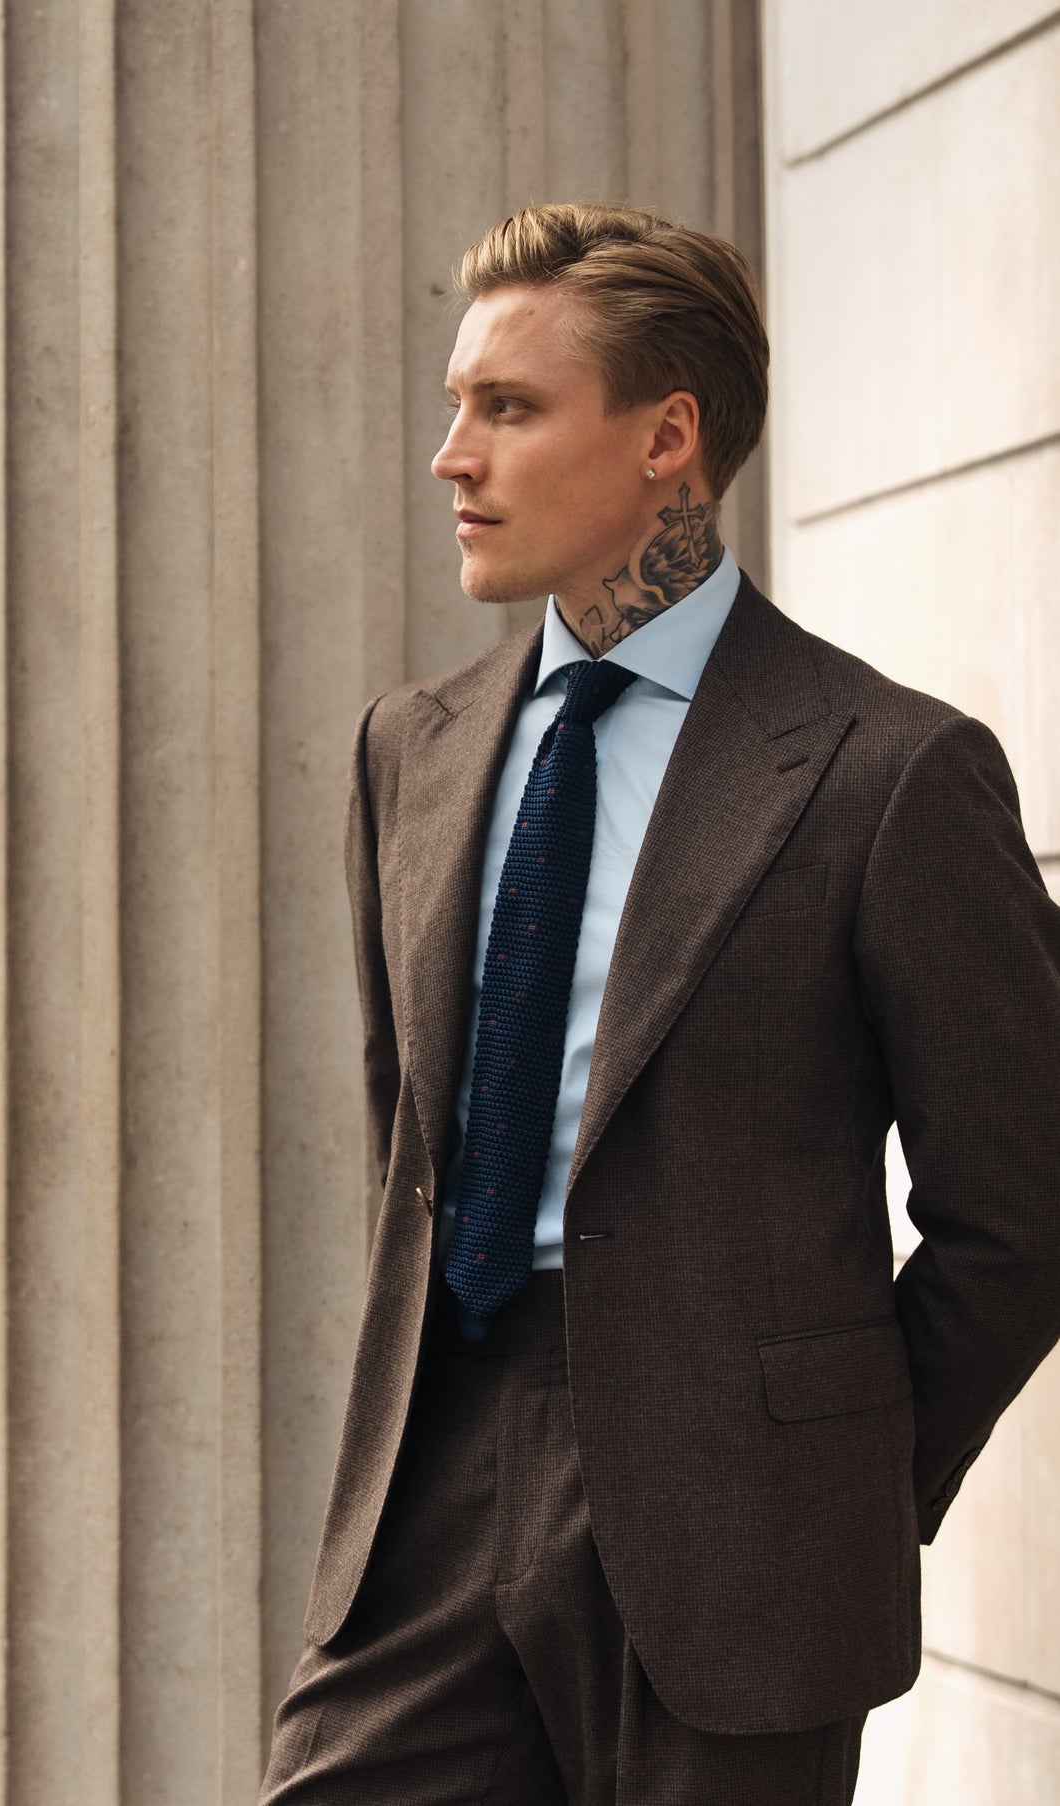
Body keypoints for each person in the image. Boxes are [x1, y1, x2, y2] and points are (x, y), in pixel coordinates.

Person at [259, 203, 1060, 1806]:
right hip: (434, 1481)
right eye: (452, 404)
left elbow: (1024, 1199)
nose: (450, 458)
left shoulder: (884, 772)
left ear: (666, 440)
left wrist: (834, 1474)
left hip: (738, 1521)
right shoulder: (405, 752)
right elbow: (404, 1133)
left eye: (507, 406)